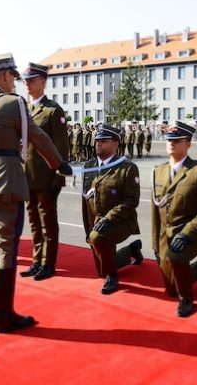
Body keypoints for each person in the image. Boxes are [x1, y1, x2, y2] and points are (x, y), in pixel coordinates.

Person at [0, 53, 72, 333]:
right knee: (6, 246)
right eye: (14, 78)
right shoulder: (14, 103)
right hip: (6, 179)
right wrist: (59, 164)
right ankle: (4, 315)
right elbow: (38, 137)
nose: (16, 83)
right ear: (7, 75)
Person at [151, 122, 197, 317]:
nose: (171, 143)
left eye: (177, 140)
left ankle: (186, 299)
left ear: (188, 143)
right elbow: (155, 210)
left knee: (177, 258)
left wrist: (186, 234)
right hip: (166, 234)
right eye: (169, 140)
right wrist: (156, 242)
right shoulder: (158, 171)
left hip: (192, 233)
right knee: (171, 288)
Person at [19, 62, 69, 280]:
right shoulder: (23, 110)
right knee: (34, 223)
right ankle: (37, 260)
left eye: (32, 80)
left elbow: (61, 148)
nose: (28, 84)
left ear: (43, 81)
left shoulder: (52, 110)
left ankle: (48, 263)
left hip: (46, 178)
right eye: (26, 81)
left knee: (47, 223)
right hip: (27, 177)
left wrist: (58, 179)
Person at [81, 125, 143, 295]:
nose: (98, 144)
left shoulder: (127, 168)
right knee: (101, 267)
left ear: (116, 144)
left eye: (103, 141)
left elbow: (131, 201)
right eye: (97, 141)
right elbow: (85, 200)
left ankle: (113, 276)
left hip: (121, 221)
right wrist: (88, 228)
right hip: (96, 223)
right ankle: (132, 251)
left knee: (98, 239)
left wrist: (107, 219)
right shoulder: (89, 166)